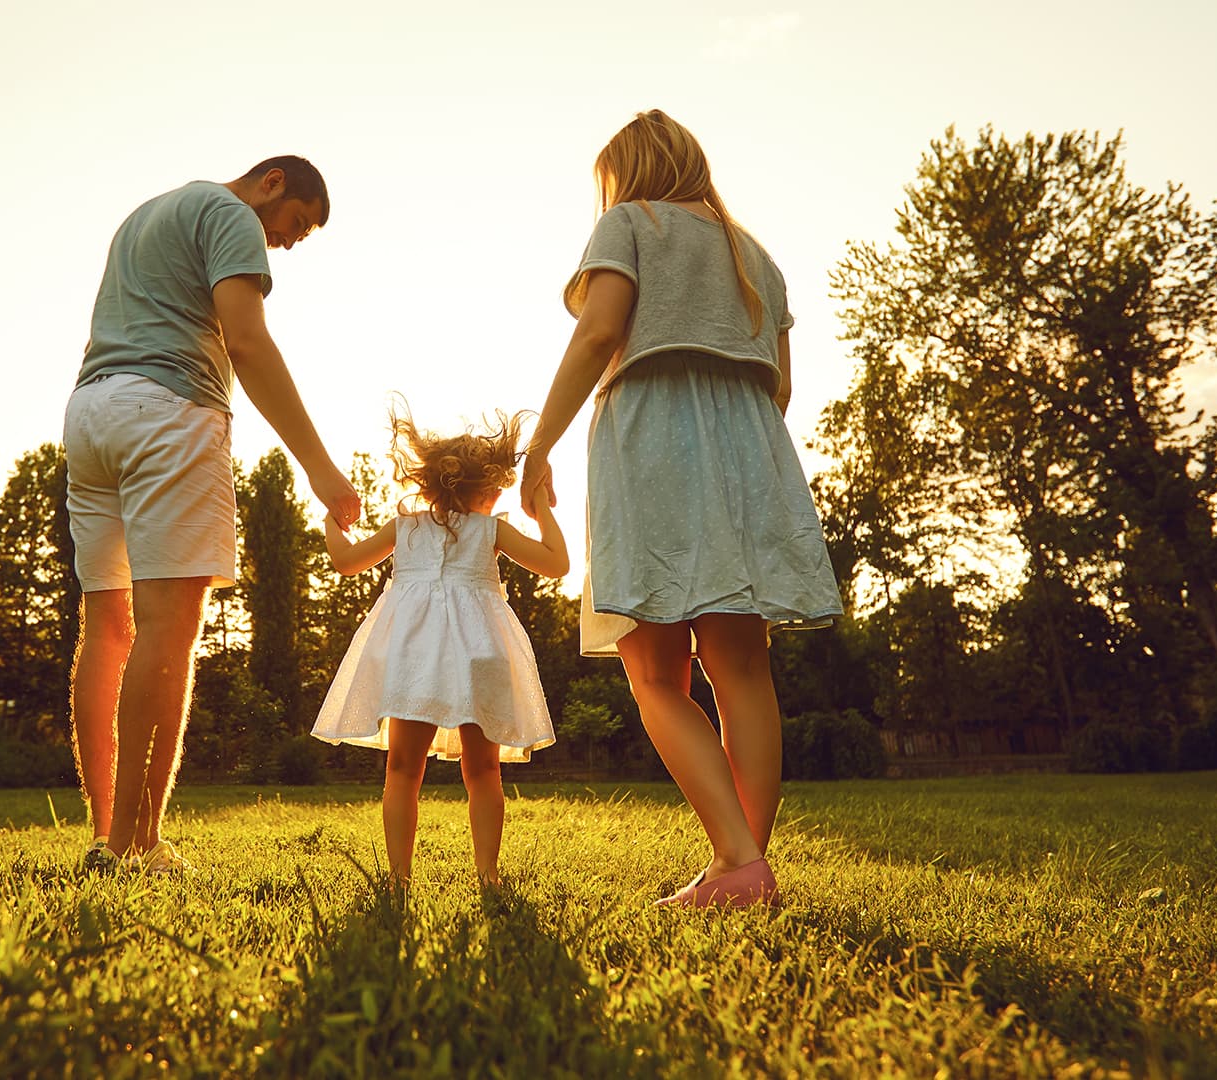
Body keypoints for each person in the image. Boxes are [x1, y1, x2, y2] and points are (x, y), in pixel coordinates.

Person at [520, 110, 844, 908]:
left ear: (625, 174)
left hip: (655, 443)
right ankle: (742, 865)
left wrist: (540, 445)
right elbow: (782, 386)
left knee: (655, 671)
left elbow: (599, 333)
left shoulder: (630, 223)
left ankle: (737, 862)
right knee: (741, 666)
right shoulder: (756, 256)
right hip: (750, 451)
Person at [66, 156, 362, 876]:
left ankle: (109, 835)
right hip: (169, 413)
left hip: (91, 412)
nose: (286, 245)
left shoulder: (147, 214)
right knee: (169, 629)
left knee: (106, 627)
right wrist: (320, 469)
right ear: (271, 183)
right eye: (293, 224)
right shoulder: (231, 215)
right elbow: (247, 341)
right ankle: (138, 844)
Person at [312, 407, 568, 888]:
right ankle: (489, 875)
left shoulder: (404, 527)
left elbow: (346, 561)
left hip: (413, 655)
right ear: (489, 490)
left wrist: (333, 521)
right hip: (480, 652)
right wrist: (542, 508)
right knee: (484, 770)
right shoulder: (490, 530)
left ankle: (398, 877)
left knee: (403, 769)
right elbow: (557, 564)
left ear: (428, 485)